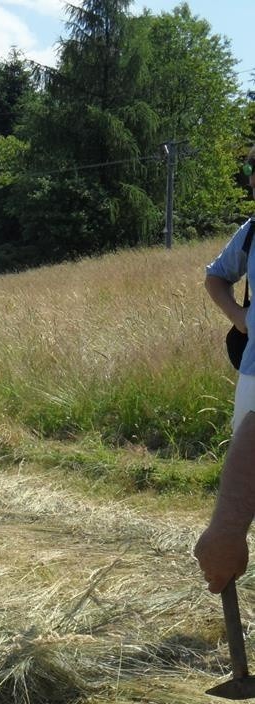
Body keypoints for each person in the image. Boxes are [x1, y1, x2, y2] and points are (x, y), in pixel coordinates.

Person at [195, 151, 255, 592]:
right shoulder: (251, 234)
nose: (251, 183)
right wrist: (241, 319)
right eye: (252, 175)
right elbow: (216, 277)